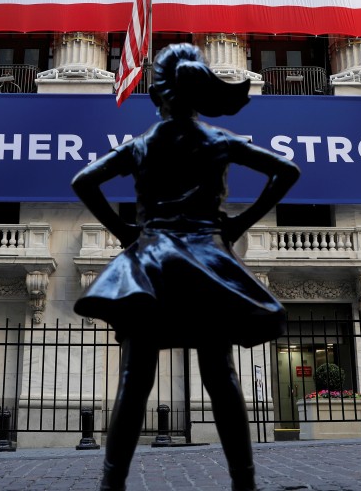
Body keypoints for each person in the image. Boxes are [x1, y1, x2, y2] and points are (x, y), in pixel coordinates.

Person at [72, 43, 301, 491]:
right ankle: (244, 483)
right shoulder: (217, 139)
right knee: (220, 373)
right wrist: (238, 224)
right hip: (207, 260)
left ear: (158, 95)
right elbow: (286, 171)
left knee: (135, 378)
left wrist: (124, 232)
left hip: (152, 261)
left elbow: (84, 181)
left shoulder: (141, 144)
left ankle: (111, 484)